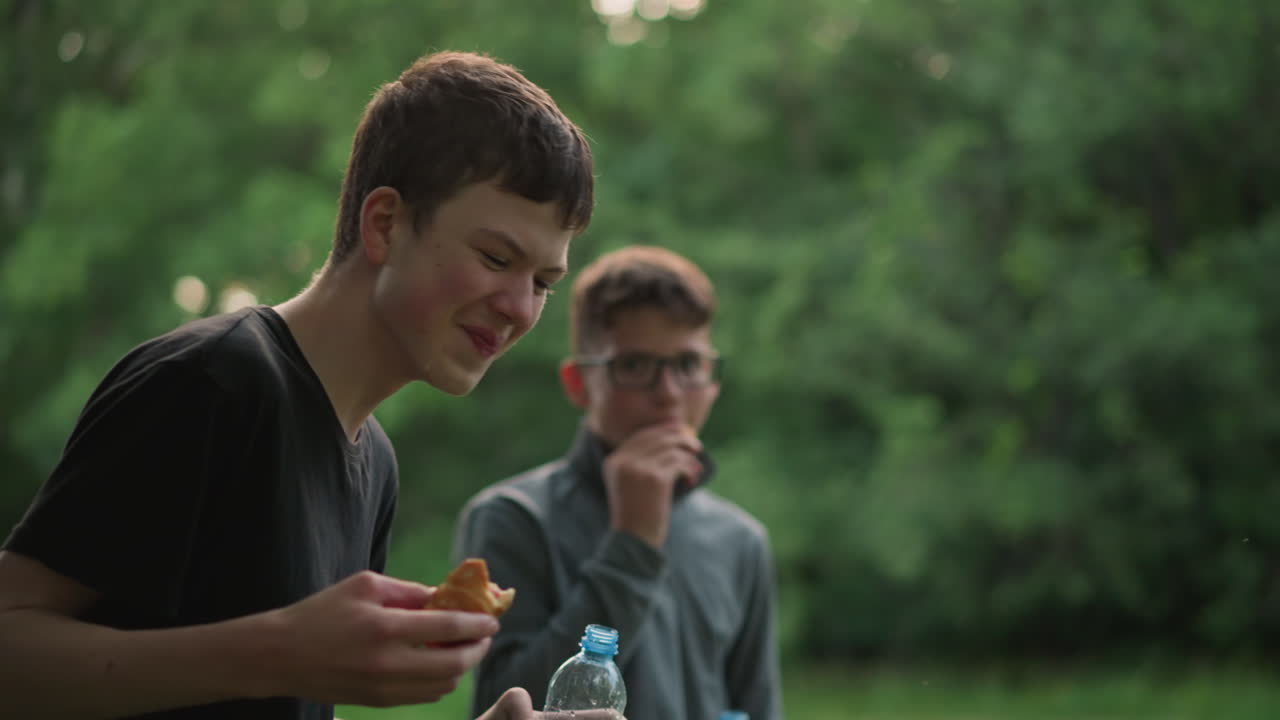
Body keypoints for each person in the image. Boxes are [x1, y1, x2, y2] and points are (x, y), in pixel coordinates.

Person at [0, 51, 597, 720]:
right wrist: (281, 651)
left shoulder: (374, 463)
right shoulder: (213, 384)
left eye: (543, 283)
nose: (520, 307)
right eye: (496, 258)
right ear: (385, 224)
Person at [453, 246, 783, 720]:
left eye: (688, 366)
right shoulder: (513, 516)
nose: (668, 394)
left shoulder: (740, 541)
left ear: (712, 381)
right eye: (634, 366)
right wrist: (632, 545)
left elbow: (756, 709)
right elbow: (503, 707)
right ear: (578, 383)